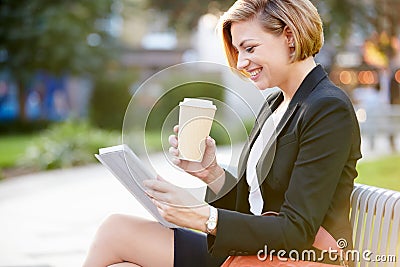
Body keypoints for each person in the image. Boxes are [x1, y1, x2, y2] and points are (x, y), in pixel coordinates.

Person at [82, 0, 362, 266]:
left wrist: (203, 217)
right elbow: (252, 207)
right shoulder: (275, 104)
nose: (240, 63)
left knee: (116, 231)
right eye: (238, 52)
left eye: (249, 48)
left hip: (292, 260)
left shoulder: (327, 108)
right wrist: (212, 174)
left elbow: (296, 231)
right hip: (259, 253)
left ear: (289, 36)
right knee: (119, 244)